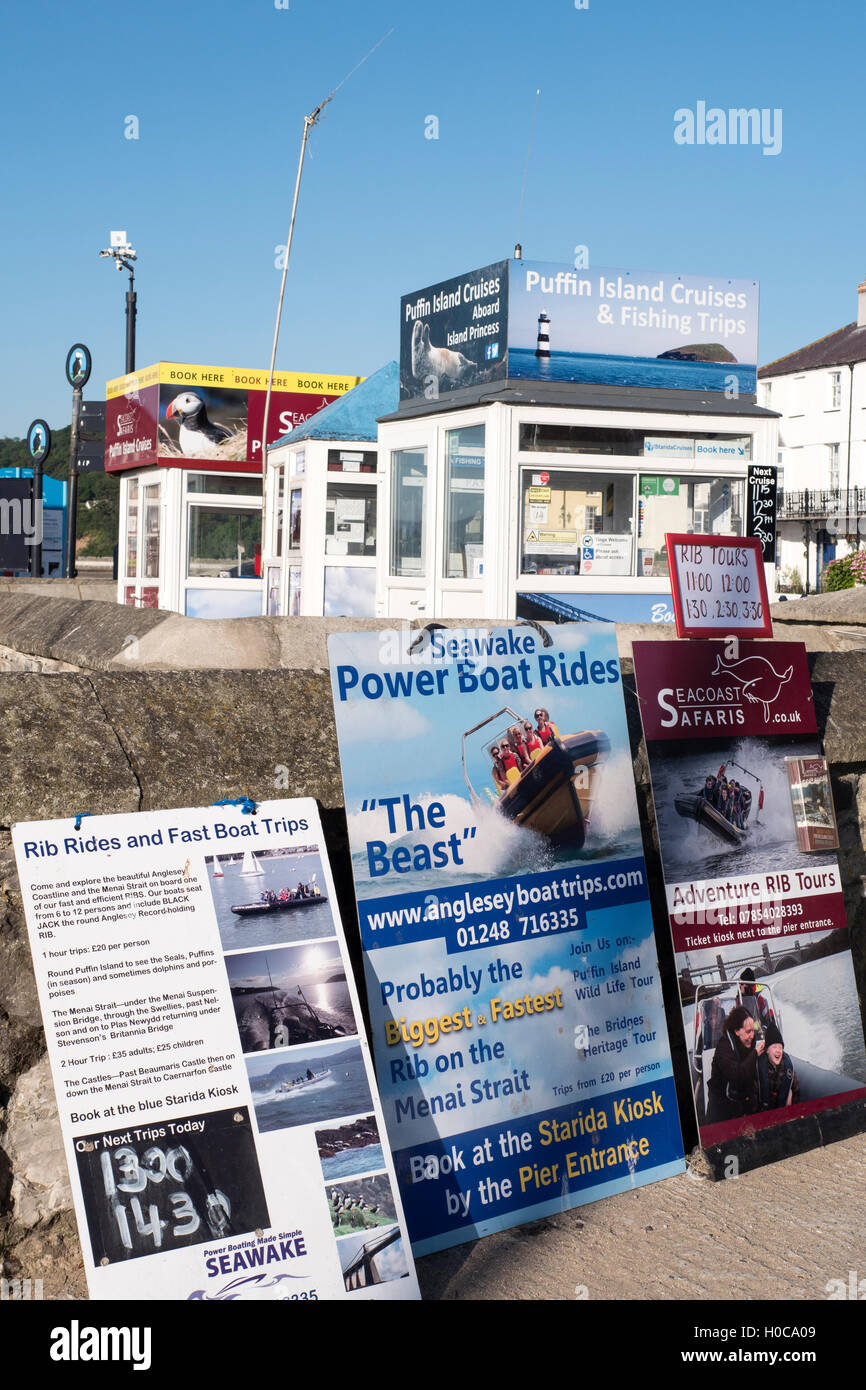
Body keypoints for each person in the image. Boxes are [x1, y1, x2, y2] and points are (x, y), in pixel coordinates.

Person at [706, 1005, 764, 1124]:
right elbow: (737, 1075)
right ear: (737, 1031)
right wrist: (755, 1053)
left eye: (753, 1030)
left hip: (741, 1100)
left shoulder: (748, 1042)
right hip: (721, 1105)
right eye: (748, 1031)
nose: (752, 1036)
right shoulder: (723, 1048)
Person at [757, 1022, 800, 1109]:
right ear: (767, 1050)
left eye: (780, 1047)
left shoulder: (789, 1070)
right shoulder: (758, 1069)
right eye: (774, 1047)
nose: (778, 1050)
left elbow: (796, 1092)